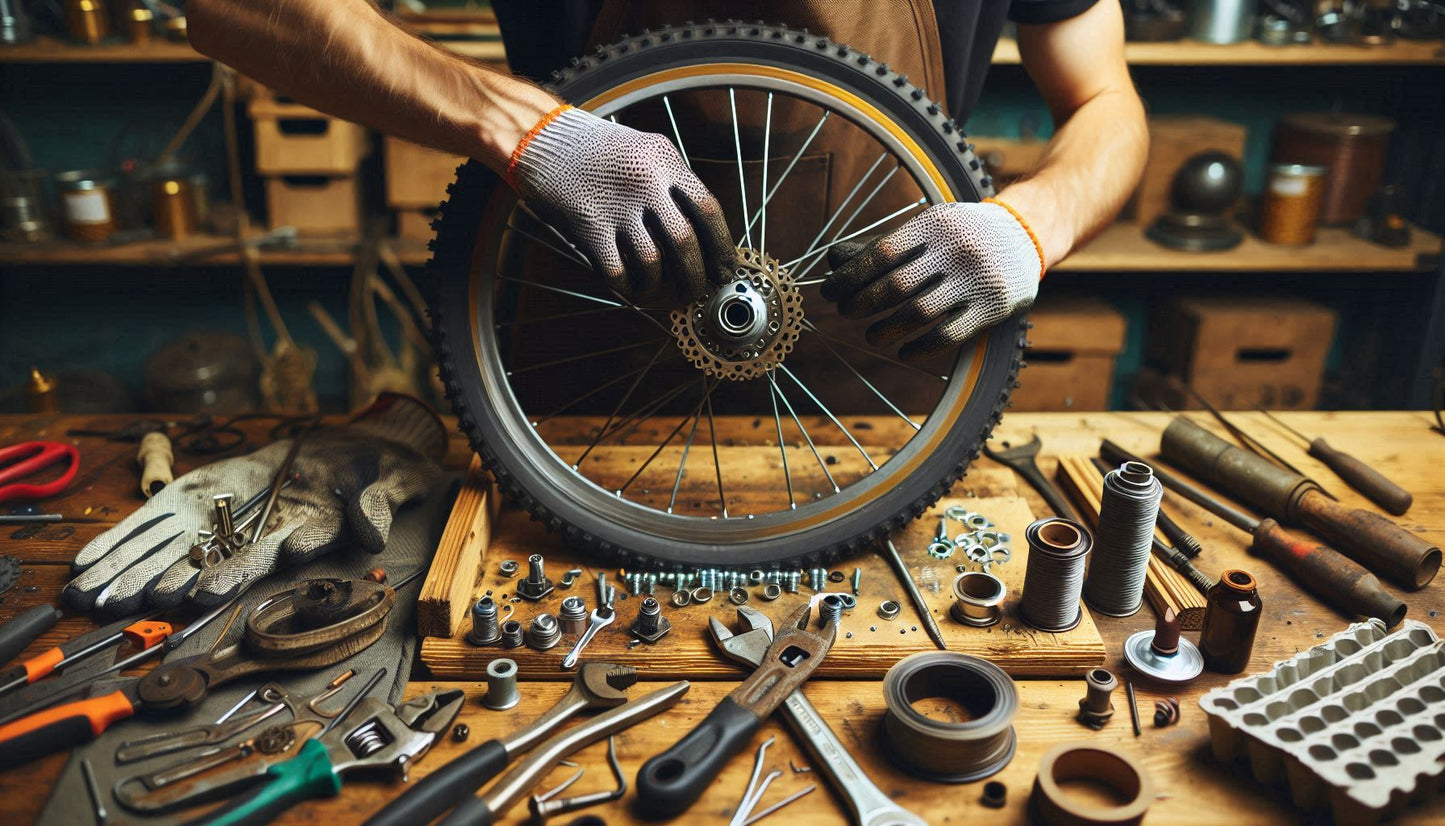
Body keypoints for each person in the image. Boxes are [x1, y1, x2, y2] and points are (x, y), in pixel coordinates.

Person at [188, 0, 1146, 361]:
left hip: (890, 367)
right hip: (580, 379)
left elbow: (1105, 99)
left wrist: (1032, 222)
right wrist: (521, 127)